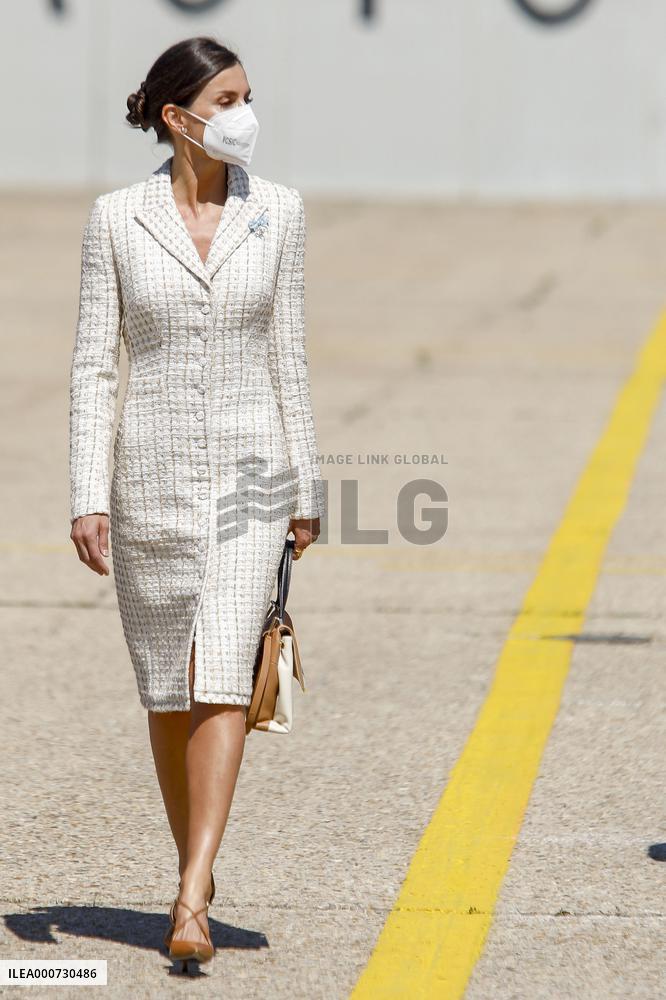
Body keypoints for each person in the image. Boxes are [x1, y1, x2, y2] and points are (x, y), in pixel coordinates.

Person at [68, 36, 326, 970]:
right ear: (179, 118)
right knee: (167, 686)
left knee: (221, 672)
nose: (245, 113)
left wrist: (307, 484)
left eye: (248, 95)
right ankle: (198, 872)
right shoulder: (116, 218)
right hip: (150, 479)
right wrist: (86, 493)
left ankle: (189, 890)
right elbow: (95, 364)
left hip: (253, 478)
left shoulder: (280, 211)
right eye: (227, 99)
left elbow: (288, 352)